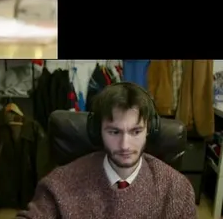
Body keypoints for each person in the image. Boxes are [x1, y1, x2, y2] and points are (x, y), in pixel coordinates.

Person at [16, 83, 197, 218]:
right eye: (114, 132)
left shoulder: (176, 189)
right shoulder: (60, 184)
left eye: (135, 132)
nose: (125, 145)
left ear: (149, 130)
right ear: (97, 131)